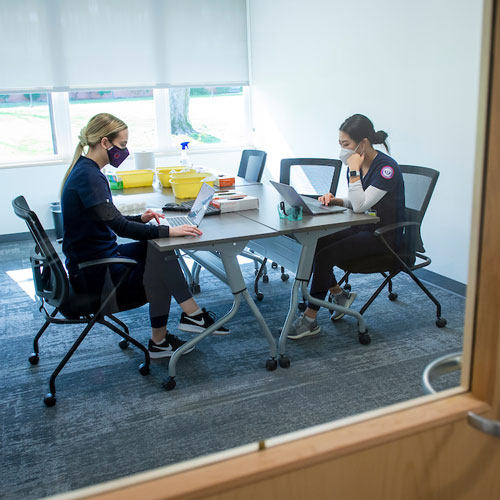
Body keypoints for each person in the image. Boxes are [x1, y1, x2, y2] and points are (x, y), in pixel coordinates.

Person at [61, 113, 229, 358]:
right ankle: (184, 322)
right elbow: (120, 228)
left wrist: (139, 219)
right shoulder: (89, 176)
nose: (125, 151)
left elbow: (108, 219)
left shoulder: (85, 170)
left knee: (158, 249)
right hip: (95, 273)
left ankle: (182, 324)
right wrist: (170, 230)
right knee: (160, 265)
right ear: (105, 142)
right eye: (122, 145)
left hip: (94, 259)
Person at [288, 114, 405, 340]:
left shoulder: (385, 168)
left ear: (363, 143)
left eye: (345, 144)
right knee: (317, 241)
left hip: (384, 236)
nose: (342, 150)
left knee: (326, 255)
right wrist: (336, 200)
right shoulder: (357, 164)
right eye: (340, 144)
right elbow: (359, 200)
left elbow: (361, 205)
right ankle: (339, 295)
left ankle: (310, 319)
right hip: (364, 227)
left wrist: (353, 171)